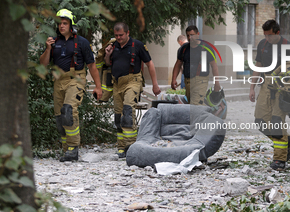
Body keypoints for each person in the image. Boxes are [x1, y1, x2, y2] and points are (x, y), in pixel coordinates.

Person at [40, 9, 102, 162]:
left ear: (71, 25)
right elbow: (43, 64)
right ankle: (66, 149)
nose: (61, 26)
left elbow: (92, 66)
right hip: (58, 81)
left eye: (65, 23)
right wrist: (48, 48)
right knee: (60, 118)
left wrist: (98, 86)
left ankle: (73, 148)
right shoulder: (54, 42)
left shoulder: (81, 42)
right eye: (60, 23)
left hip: (76, 79)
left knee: (68, 110)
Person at [104, 22, 161, 158]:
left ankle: (131, 146)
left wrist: (155, 84)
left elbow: (149, 64)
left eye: (121, 35)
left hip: (133, 81)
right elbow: (107, 64)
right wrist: (107, 55)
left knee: (128, 112)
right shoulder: (113, 46)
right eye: (116, 35)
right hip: (117, 83)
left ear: (127, 33)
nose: (119, 38)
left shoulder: (138, 45)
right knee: (118, 116)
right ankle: (121, 146)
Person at [249, 19, 290, 171]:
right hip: (265, 86)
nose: (267, 39)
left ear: (277, 33)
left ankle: (279, 160)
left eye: (270, 36)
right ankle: (287, 140)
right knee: (260, 121)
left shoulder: (287, 47)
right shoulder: (263, 45)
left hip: (282, 87)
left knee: (277, 122)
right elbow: (258, 66)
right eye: (265, 35)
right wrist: (252, 87)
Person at [171, 25, 221, 105]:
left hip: (201, 81)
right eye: (188, 35)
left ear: (198, 34)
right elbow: (178, 64)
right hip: (188, 81)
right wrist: (174, 79)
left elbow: (214, 66)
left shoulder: (206, 48)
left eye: (192, 35)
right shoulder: (184, 49)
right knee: (193, 105)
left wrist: (217, 84)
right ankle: (206, 113)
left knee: (195, 105)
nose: (190, 37)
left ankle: (203, 113)